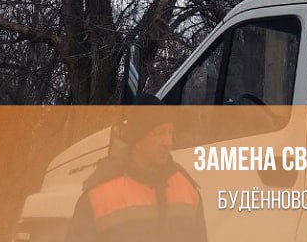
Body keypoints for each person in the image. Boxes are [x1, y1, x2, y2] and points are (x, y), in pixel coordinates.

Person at [66, 94, 206, 242]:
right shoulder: (98, 196)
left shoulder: (187, 189)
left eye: (170, 132)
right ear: (138, 140)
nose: (169, 142)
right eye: (160, 133)